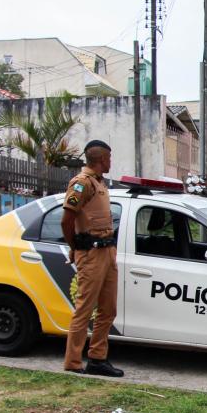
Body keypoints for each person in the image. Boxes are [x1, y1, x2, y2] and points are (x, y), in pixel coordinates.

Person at [61, 140, 123, 377]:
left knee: (108, 309)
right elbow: (67, 220)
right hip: (91, 252)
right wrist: (75, 246)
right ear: (101, 159)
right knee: (84, 309)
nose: (110, 162)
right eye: (109, 158)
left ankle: (97, 358)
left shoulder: (99, 183)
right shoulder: (81, 184)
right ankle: (73, 362)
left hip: (107, 250)